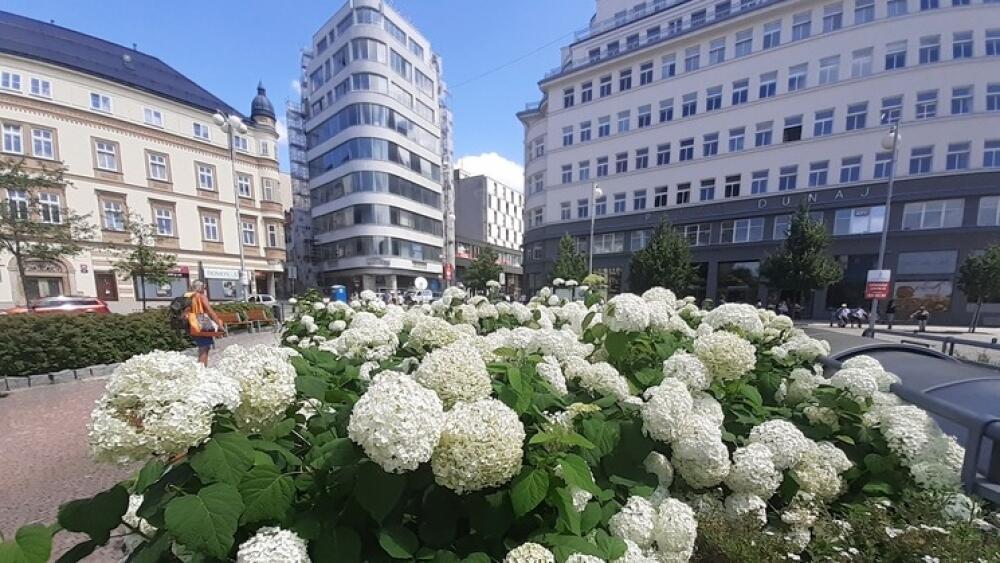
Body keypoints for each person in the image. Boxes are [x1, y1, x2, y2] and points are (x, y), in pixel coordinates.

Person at [186, 280, 223, 366]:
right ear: (201, 288)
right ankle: (202, 370)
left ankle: (200, 368)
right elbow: (210, 311)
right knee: (204, 348)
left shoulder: (187, 295)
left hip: (190, 322)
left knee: (202, 346)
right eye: (204, 288)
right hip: (201, 320)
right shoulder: (201, 296)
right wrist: (219, 324)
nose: (204, 290)